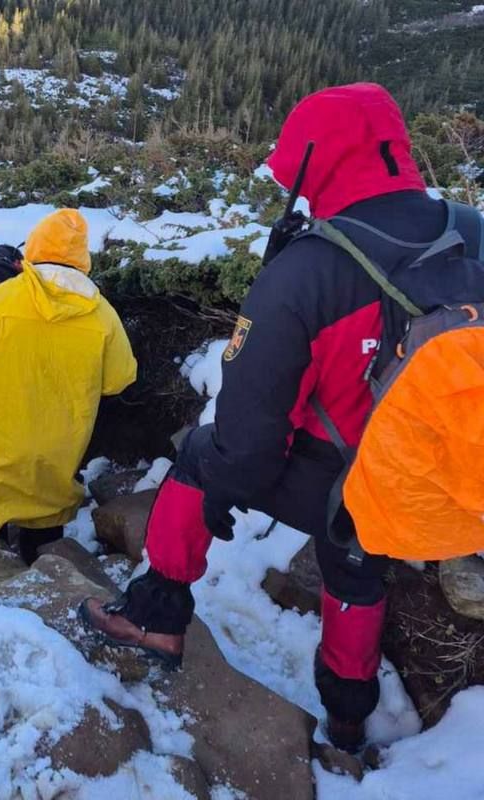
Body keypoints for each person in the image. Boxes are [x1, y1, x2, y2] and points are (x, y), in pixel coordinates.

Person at [79, 83, 474, 752]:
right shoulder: (473, 231)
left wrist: (227, 483)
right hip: (456, 483)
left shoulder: (308, 272)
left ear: (316, 164)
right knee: (355, 552)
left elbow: (250, 444)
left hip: (359, 489)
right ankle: (348, 719)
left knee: (208, 455)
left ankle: (154, 616)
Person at [0, 209, 138, 564]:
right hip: (58, 445)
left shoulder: (5, 298)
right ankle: (44, 570)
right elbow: (119, 378)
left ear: (37, 246)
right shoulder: (102, 312)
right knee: (45, 519)